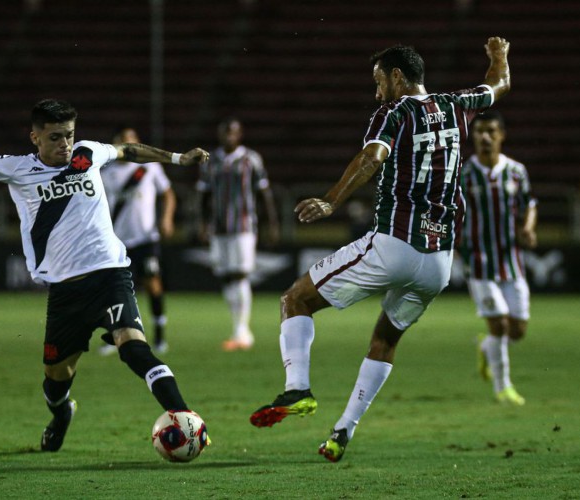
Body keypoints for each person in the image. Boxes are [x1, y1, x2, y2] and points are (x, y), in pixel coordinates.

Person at [0, 99, 210, 453]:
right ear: (35, 138)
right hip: (65, 292)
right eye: (56, 137)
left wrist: (179, 159)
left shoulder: (87, 154)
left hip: (110, 276)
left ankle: (182, 415)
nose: (66, 144)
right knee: (56, 377)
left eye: (69, 135)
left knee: (133, 348)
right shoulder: (15, 169)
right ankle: (61, 416)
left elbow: (128, 149)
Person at [249, 37, 511, 463]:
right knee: (385, 340)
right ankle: (342, 432)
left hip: (394, 243)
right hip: (440, 262)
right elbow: (499, 85)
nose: (376, 93)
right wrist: (499, 55)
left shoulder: (395, 112)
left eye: (379, 83)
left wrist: (332, 199)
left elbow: (371, 157)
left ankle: (297, 388)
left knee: (295, 299)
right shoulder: (457, 105)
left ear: (396, 77)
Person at [458, 109, 537, 406]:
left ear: (501, 135)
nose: (485, 137)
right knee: (500, 326)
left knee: (517, 330)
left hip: (511, 261)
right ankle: (503, 388)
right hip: (479, 263)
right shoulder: (464, 173)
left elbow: (529, 204)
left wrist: (528, 229)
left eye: (491, 131)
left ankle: (486, 347)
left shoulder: (516, 171)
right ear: (473, 137)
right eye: (479, 132)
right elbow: (453, 212)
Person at [196, 117, 279, 351]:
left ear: (240, 134)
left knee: (241, 274)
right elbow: (204, 195)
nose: (228, 137)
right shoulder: (210, 161)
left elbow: (264, 193)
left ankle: (243, 330)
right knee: (225, 275)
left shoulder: (251, 159)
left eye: (233, 132)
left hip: (244, 225)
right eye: (225, 132)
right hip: (218, 227)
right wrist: (202, 224)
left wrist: (271, 224)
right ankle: (237, 327)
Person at [99, 126, 176, 355]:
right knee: (115, 291)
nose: (129, 146)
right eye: (124, 142)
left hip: (146, 238)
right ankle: (113, 337)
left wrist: (167, 218)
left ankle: (160, 336)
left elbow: (168, 193)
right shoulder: (105, 173)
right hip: (117, 241)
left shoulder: (150, 168)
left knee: (153, 283)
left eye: (133, 141)